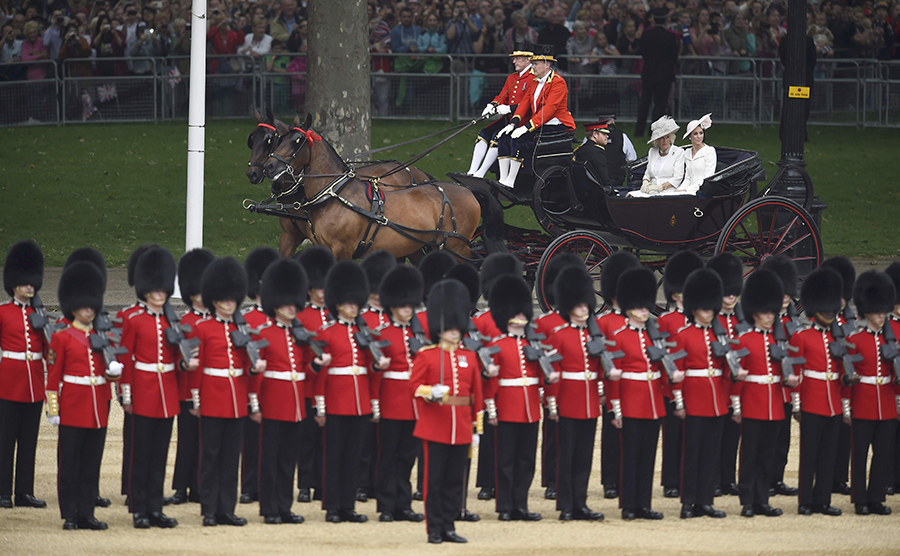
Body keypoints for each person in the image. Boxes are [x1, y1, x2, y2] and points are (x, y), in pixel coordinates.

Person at [119, 247, 191, 529]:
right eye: (156, 289)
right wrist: (126, 395)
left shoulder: (172, 320)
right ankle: (139, 508)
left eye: (163, 289)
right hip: (142, 393)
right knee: (141, 453)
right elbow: (125, 359)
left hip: (166, 395)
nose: (160, 294)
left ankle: (155, 507)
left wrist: (186, 362)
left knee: (160, 454)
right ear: (146, 288)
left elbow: (174, 358)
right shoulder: (132, 318)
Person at [47, 260, 120, 530]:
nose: (89, 311)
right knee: (70, 465)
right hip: (73, 406)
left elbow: (109, 373)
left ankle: (87, 512)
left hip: (97, 407)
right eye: (84, 306)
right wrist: (53, 409)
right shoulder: (62, 338)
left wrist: (114, 372)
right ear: (74, 307)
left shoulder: (103, 336)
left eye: (92, 306)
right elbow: (53, 379)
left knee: (91, 464)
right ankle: (70, 514)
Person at [316, 261, 389, 523]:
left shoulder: (363, 333)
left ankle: (348, 506)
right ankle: (333, 507)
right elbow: (321, 374)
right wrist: (321, 407)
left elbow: (369, 372)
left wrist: (376, 368)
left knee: (354, 457)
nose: (353, 307)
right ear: (338, 304)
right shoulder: (327, 333)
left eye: (355, 303)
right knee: (334, 456)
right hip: (336, 403)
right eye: (348, 303)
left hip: (360, 404)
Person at [195, 257, 265, 527]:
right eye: (224, 300)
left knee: (230, 458)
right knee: (210, 457)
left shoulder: (242, 329)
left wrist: (255, 371)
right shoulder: (203, 328)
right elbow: (197, 369)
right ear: (215, 300)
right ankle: (209, 510)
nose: (229, 304)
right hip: (212, 399)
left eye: (232, 299)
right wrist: (197, 401)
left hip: (237, 401)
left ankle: (227, 509)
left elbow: (247, 370)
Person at [412, 278, 484, 544]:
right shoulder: (426, 355)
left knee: (455, 481)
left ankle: (450, 526)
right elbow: (415, 387)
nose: (454, 332)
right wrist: (432, 392)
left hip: (462, 427)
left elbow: (477, 395)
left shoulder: (470, 356)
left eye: (457, 328)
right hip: (435, 426)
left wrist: (477, 428)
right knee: (435, 482)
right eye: (450, 328)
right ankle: (434, 528)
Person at [608, 266, 680, 520]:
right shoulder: (618, 337)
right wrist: (615, 409)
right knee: (630, 456)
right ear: (628, 307)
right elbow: (613, 376)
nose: (643, 311)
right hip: (629, 404)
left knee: (648, 456)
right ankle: (629, 505)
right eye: (639, 307)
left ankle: (643, 504)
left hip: (652, 405)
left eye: (645, 307)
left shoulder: (655, 336)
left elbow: (661, 369)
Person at [671, 268, 743, 519]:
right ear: (693, 309)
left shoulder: (720, 335)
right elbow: (677, 372)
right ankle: (688, 502)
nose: (709, 312)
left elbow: (725, 372)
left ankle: (705, 501)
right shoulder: (683, 336)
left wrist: (734, 375)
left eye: (710, 308)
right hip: (693, 401)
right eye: (704, 308)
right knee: (691, 455)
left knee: (711, 454)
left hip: (717, 402)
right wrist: (679, 403)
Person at [255, 258, 321, 524]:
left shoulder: (299, 333)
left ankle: (284, 506)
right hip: (272, 403)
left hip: (295, 405)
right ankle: (269, 508)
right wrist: (255, 405)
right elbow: (257, 375)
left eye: (294, 303)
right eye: (286, 303)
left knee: (287, 460)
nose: (291, 308)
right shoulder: (264, 332)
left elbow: (306, 369)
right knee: (269, 460)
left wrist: (317, 363)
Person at [485, 274, 555, 522]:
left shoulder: (532, 344)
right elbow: (490, 382)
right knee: (505, 460)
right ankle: (505, 506)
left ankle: (521, 505)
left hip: (530, 409)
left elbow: (539, 377)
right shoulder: (497, 345)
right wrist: (492, 410)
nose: (522, 318)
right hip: (506, 408)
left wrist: (549, 376)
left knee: (526, 460)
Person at [734, 269, 798, 518]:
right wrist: (737, 406)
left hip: (774, 402)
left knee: (767, 455)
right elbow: (738, 377)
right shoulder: (744, 340)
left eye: (772, 312)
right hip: (752, 402)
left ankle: (762, 499)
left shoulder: (779, 339)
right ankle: (747, 500)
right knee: (749, 455)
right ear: (755, 312)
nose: (770, 317)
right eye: (765, 312)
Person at [545, 266, 606, 522]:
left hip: (589, 401)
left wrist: (602, 388)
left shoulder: (594, 334)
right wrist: (552, 404)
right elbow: (552, 372)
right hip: (566, 401)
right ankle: (566, 504)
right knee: (566, 455)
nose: (584, 309)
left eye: (586, 305)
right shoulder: (558, 335)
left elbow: (600, 368)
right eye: (579, 305)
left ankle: (580, 503)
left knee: (583, 457)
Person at [791, 267, 848, 517]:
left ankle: (823, 500)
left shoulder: (839, 337)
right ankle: (805, 500)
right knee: (810, 455)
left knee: (828, 455)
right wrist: (796, 405)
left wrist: (845, 405)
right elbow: (796, 374)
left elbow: (843, 376)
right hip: (811, 402)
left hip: (833, 403)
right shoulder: (802, 337)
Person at [372, 264, 426, 523]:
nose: (408, 309)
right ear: (393, 305)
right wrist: (375, 405)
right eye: (404, 305)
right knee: (388, 455)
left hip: (414, 403)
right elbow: (375, 374)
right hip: (391, 402)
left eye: (410, 305)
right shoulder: (382, 334)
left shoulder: (419, 335)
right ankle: (385, 504)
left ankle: (403, 504)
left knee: (407, 456)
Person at [0, 240, 47, 510]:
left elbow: (49, 351)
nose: (30, 287)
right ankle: (3, 491)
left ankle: (24, 492)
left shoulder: (38, 314)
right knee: (6, 441)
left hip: (34, 385)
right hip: (9, 383)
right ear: (14, 283)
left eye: (32, 283)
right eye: (25, 282)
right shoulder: (3, 313)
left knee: (29, 441)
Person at [533, 252, 583, 501]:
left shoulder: (586, 323)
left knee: (578, 440)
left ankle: (573, 479)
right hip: (555, 390)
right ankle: (551, 479)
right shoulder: (546, 323)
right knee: (553, 437)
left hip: (579, 391)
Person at [846, 271, 897, 516]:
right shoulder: (854, 340)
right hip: (863, 401)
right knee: (860, 454)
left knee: (882, 454)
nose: (881, 315)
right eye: (877, 311)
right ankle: (860, 499)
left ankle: (876, 498)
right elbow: (847, 376)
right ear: (866, 312)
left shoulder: (893, 340)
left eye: (883, 311)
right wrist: (847, 406)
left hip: (886, 402)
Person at [495, 44, 575, 188]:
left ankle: (511, 181)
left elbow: (549, 110)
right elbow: (524, 104)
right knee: (504, 138)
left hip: (557, 125)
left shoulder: (558, 82)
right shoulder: (534, 82)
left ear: (547, 64)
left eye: (536, 64)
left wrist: (526, 127)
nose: (533, 67)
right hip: (541, 123)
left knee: (518, 139)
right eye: (532, 64)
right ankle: (503, 178)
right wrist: (512, 124)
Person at [170, 248, 215, 505]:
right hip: (188, 389)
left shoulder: (218, 322)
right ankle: (180, 487)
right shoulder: (184, 322)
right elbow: (175, 358)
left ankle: (199, 486)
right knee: (187, 441)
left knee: (206, 442)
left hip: (211, 388)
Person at [597, 250, 641, 500]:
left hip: (635, 388)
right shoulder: (604, 323)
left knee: (634, 437)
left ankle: (627, 478)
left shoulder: (636, 322)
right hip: (613, 388)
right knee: (612, 436)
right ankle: (610, 480)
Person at [239, 247, 281, 506]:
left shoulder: (283, 319)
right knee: (251, 442)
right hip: (254, 386)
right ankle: (249, 485)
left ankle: (270, 486)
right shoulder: (246, 319)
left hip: (277, 389)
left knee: (275, 444)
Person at [293, 246, 335, 504]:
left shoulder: (335, 315)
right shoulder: (300, 316)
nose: (322, 292)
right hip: (308, 383)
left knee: (328, 441)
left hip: (331, 385)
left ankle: (322, 484)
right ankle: (305, 484)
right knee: (306, 440)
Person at [758, 255, 800, 497]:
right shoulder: (762, 320)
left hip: (785, 390)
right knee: (763, 442)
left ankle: (777, 479)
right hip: (765, 389)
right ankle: (762, 481)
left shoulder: (792, 321)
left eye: (788, 293)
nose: (785, 298)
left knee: (782, 440)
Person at [706, 253, 745, 497]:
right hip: (718, 387)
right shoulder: (711, 320)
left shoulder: (741, 319)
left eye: (733, 293)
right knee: (715, 437)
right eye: (726, 293)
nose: (730, 297)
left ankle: (728, 478)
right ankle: (714, 479)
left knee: (733, 436)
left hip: (737, 388)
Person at [358, 250, 396, 503]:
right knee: (365, 442)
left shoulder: (397, 320)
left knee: (388, 443)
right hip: (367, 386)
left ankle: (383, 484)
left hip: (392, 390)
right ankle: (363, 484)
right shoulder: (361, 320)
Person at [468, 46, 533, 177]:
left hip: (523, 120)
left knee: (496, 137)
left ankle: (481, 173)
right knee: (484, 133)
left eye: (517, 59)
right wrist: (492, 105)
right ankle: (472, 171)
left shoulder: (533, 78)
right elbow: (502, 96)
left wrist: (509, 108)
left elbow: (530, 104)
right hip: (508, 118)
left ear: (528, 60)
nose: (514, 62)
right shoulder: (512, 78)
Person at [634, 8, 678, 138]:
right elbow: (674, 56)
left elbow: (642, 52)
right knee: (660, 104)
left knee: (645, 103)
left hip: (649, 73)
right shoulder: (670, 36)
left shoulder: (647, 35)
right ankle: (655, 131)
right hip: (665, 75)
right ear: (665, 19)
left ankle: (639, 131)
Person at [628, 116, 684, 197]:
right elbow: (647, 174)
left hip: (669, 192)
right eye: (661, 138)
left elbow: (678, 178)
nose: (665, 141)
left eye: (667, 137)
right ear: (657, 140)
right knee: (629, 196)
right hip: (650, 191)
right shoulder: (652, 151)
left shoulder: (678, 152)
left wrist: (660, 187)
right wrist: (645, 183)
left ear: (671, 138)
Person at [682, 113, 717, 196]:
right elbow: (688, 177)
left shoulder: (709, 151)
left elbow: (707, 178)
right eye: (695, 134)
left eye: (701, 133)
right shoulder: (687, 152)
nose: (699, 136)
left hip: (702, 191)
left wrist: (687, 190)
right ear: (690, 137)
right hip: (689, 191)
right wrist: (680, 190)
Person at [574, 119, 612, 193]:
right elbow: (604, 179)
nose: (607, 136)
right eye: (604, 134)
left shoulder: (580, 149)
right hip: (595, 194)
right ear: (595, 134)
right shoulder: (597, 152)